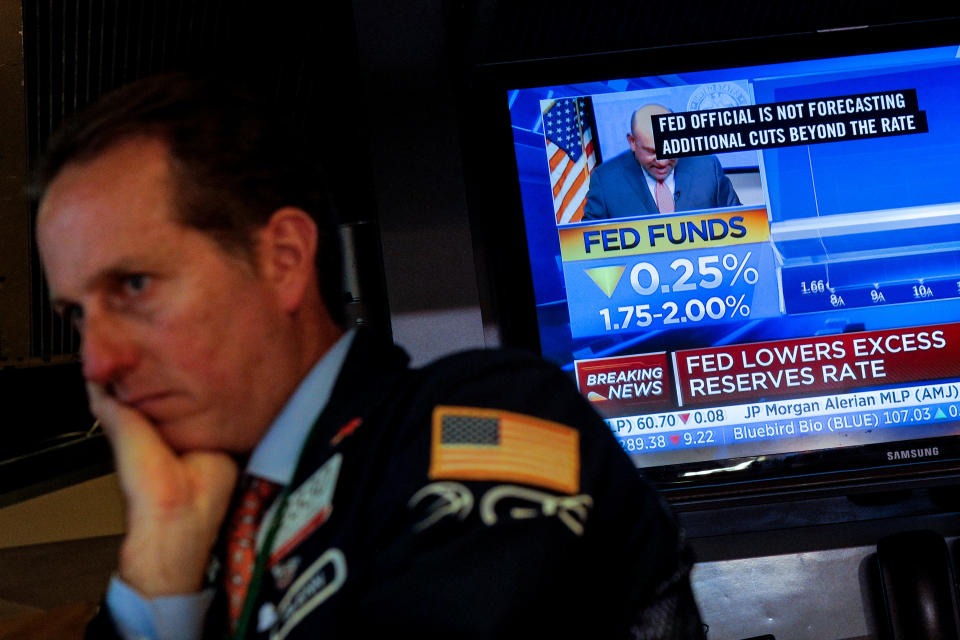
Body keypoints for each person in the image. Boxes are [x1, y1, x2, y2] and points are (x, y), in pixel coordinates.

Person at [33, 73, 705, 639]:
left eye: (135, 285)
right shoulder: (202, 547)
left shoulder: (465, 420)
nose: (97, 361)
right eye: (76, 315)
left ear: (283, 259)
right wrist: (156, 565)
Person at [584, 104, 740, 219]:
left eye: (669, 149)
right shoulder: (605, 180)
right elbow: (587, 243)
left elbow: (743, 223)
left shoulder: (707, 167)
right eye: (651, 152)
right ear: (632, 142)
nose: (662, 162)